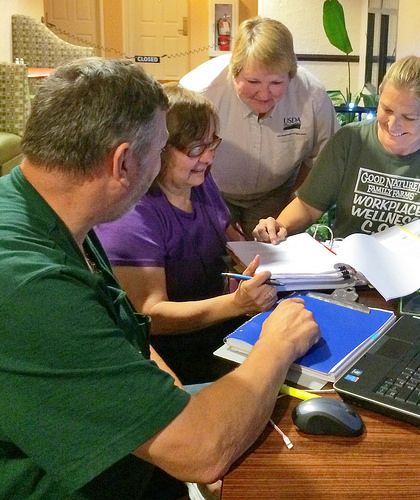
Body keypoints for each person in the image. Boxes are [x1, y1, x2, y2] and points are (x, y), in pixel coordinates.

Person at [0, 57, 319, 499]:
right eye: (160, 149)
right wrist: (278, 344)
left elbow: (122, 334)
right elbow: (201, 452)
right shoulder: (31, 285)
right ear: (124, 162)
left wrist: (170, 398)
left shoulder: (46, 210)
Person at [95, 83, 276, 385]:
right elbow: (150, 316)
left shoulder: (199, 182)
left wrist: (260, 241)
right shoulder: (133, 215)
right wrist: (237, 304)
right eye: (195, 149)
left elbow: (230, 240)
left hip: (219, 331)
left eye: (211, 144)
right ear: (159, 148)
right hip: (175, 357)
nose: (208, 158)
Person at [253, 55, 420, 244]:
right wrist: (279, 226)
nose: (393, 125)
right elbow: (309, 206)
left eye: (409, 117)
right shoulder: (350, 141)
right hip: (349, 274)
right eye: (386, 109)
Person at [180, 16, 339, 238]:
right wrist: (218, 219)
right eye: (253, 82)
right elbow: (177, 164)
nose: (264, 95)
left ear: (290, 76)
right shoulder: (200, 92)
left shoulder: (313, 96)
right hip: (210, 192)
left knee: (271, 259)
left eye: (276, 83)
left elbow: (319, 162)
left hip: (278, 194)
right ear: (233, 71)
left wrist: (288, 211)